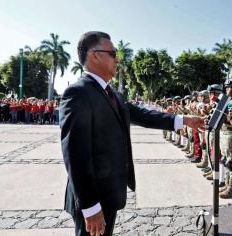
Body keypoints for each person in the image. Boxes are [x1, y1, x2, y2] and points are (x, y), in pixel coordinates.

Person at [59, 31, 204, 236]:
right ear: (95, 55)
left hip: (109, 191)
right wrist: (90, 207)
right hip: (94, 197)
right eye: (112, 52)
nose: (117, 58)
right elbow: (75, 154)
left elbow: (142, 114)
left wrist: (182, 120)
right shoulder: (78, 93)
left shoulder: (112, 93)